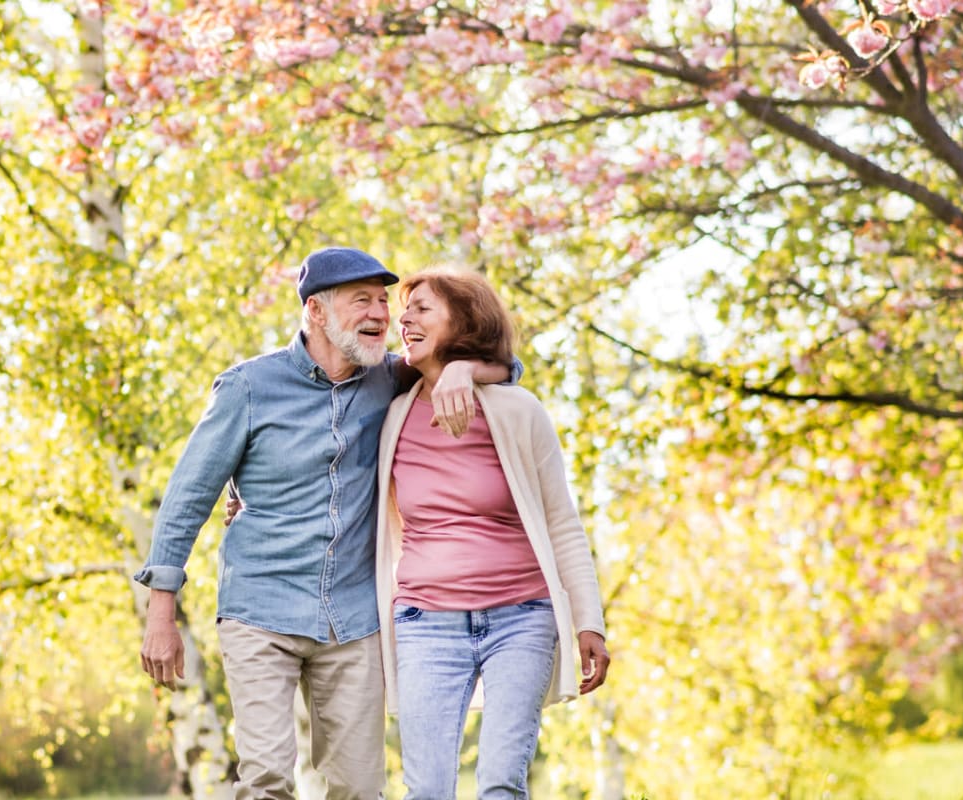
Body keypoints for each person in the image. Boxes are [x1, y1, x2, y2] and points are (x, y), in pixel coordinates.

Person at [136, 247, 519, 799]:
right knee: (267, 777)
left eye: (383, 301)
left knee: (362, 788)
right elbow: (188, 497)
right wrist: (161, 611)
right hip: (260, 609)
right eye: (361, 300)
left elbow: (508, 369)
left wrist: (460, 367)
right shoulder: (247, 388)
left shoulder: (390, 377)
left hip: (353, 618)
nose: (381, 314)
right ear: (316, 311)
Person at [373, 268, 610, 800]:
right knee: (428, 790)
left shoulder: (519, 411)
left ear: (464, 320)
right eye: (404, 310)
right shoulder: (389, 414)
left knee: (502, 782)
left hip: (522, 618)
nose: (402, 318)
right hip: (424, 621)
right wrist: (245, 495)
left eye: (421, 308)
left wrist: (588, 620)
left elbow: (562, 523)